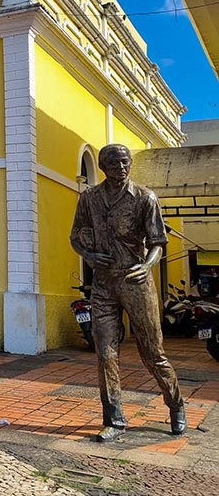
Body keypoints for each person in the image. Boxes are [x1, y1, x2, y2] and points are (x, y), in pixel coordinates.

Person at [70, 144, 185, 442]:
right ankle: (114, 419)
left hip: (136, 282)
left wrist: (147, 265)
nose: (120, 167)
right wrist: (89, 257)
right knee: (105, 354)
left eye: (125, 162)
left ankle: (176, 405)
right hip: (103, 285)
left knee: (152, 353)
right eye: (113, 162)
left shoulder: (145, 198)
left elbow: (158, 242)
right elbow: (75, 236)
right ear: (102, 165)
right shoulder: (89, 198)